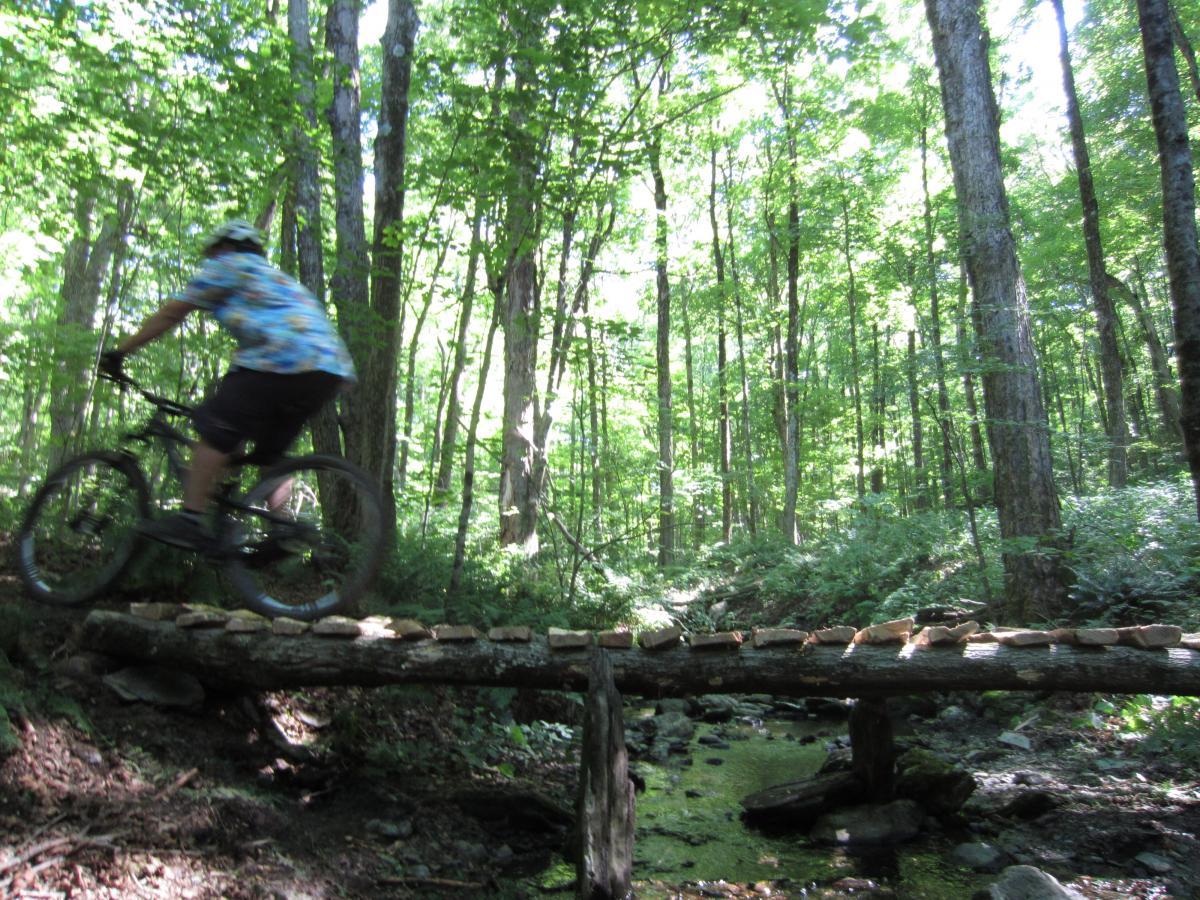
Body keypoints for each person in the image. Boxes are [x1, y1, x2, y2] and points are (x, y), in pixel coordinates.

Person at [100, 219, 355, 550]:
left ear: (225, 247)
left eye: (212, 252)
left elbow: (172, 313)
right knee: (268, 457)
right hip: (327, 371)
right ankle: (283, 530)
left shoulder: (229, 265)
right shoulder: (279, 280)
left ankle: (190, 519)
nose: (210, 259)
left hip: (279, 360)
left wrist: (120, 352)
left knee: (215, 434)